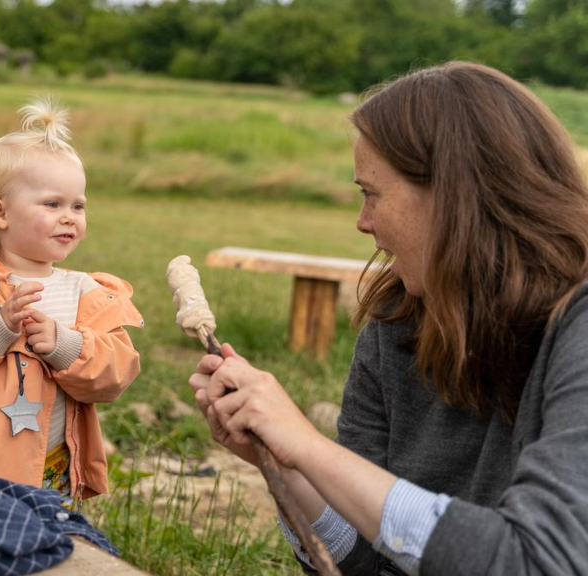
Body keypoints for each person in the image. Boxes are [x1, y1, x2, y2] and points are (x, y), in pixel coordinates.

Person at [189, 61, 588, 575]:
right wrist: (287, 465)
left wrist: (310, 448)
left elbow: (537, 560)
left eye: (371, 193)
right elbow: (363, 559)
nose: (362, 222)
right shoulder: (398, 320)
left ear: (454, 194)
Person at [0, 98, 143, 508]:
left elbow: (117, 372)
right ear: (0, 213)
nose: (69, 216)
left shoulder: (86, 293)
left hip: (51, 464)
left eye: (78, 205)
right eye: (52, 204)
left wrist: (65, 345)